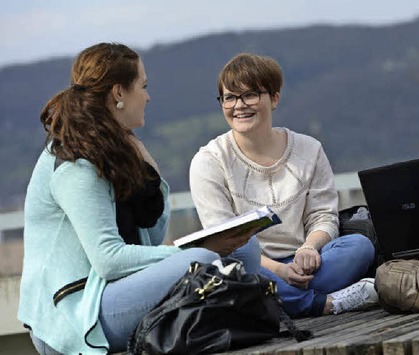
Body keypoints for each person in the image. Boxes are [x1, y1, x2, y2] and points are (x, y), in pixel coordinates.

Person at [18, 43, 260, 355]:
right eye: (143, 86)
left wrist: (149, 169)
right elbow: (110, 261)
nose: (147, 96)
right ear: (119, 93)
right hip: (78, 316)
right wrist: (193, 250)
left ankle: (237, 319)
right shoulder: (74, 162)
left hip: (115, 293)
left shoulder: (109, 149)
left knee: (246, 248)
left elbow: (150, 237)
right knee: (202, 260)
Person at [189, 53, 377, 318]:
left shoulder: (309, 150)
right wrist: (279, 271)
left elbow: (323, 216)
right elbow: (224, 243)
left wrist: (309, 248)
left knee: (359, 247)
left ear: (274, 98)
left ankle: (281, 303)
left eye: (250, 95)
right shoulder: (208, 161)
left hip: (308, 264)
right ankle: (325, 304)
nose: (239, 106)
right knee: (230, 272)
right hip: (254, 267)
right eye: (229, 97)